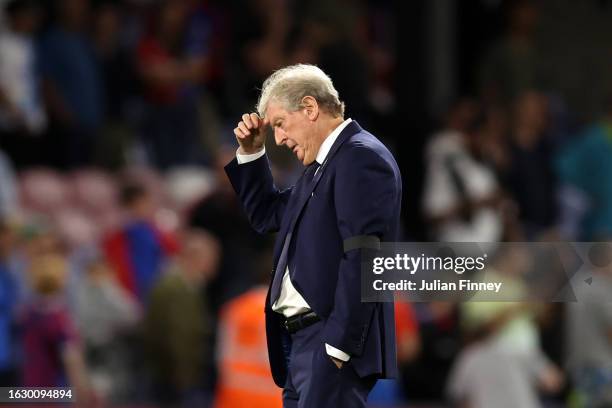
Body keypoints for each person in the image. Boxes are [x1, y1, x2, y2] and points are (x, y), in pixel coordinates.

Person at [225, 64, 402, 407]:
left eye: (279, 124)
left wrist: (337, 348)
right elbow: (267, 215)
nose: (279, 138)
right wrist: (251, 152)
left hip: (328, 344)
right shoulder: (322, 167)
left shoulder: (360, 157)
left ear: (309, 108)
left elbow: (365, 257)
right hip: (302, 345)